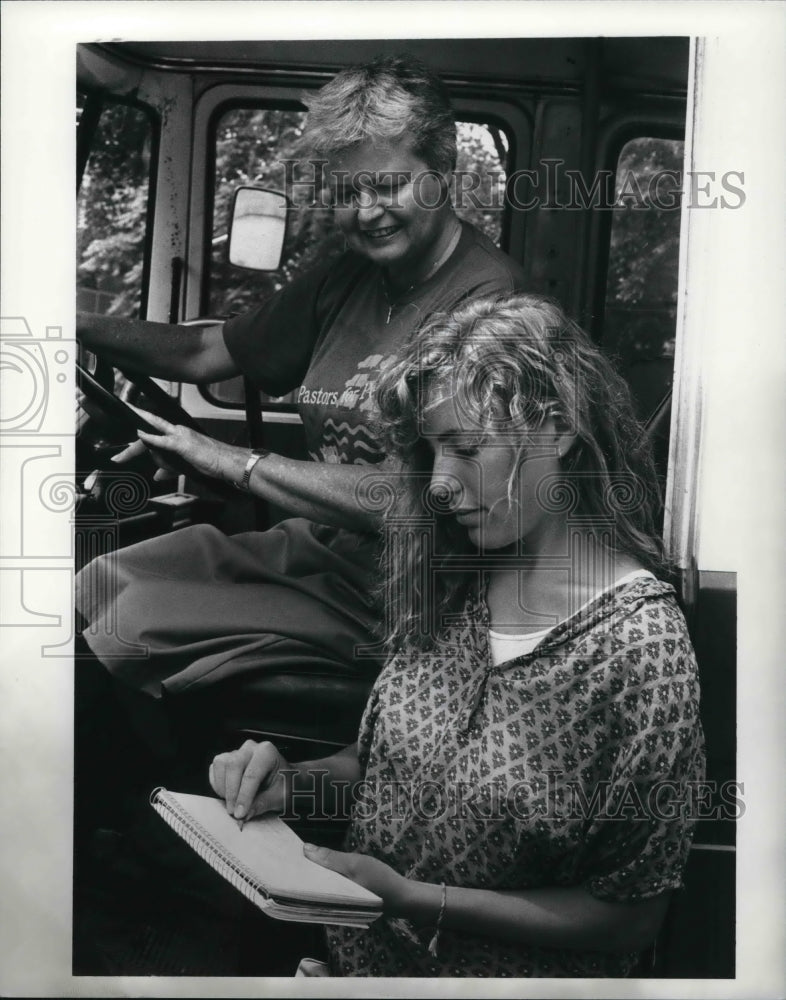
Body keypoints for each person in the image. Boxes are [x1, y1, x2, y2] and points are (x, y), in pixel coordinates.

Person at [208, 293, 706, 978]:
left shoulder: (640, 650)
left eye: (467, 448)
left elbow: (628, 917)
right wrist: (289, 783)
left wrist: (417, 900)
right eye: (432, 449)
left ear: (558, 428)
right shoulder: (453, 577)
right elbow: (389, 771)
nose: (440, 483)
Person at [75, 55, 525, 701]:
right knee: (103, 578)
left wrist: (237, 463)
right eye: (345, 193)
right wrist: (80, 327)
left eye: (387, 185)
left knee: (135, 620)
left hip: (415, 591)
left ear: (442, 172)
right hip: (323, 552)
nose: (366, 212)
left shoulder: (491, 303)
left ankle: (182, 790)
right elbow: (208, 353)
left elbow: (421, 499)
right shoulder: (349, 276)